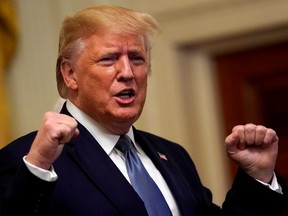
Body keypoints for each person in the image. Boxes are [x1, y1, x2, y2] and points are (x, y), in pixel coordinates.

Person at [0, 5, 287, 216]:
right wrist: (37, 166)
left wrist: (258, 177)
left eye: (136, 58)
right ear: (70, 74)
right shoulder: (29, 161)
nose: (127, 72)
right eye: (109, 59)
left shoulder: (172, 155)